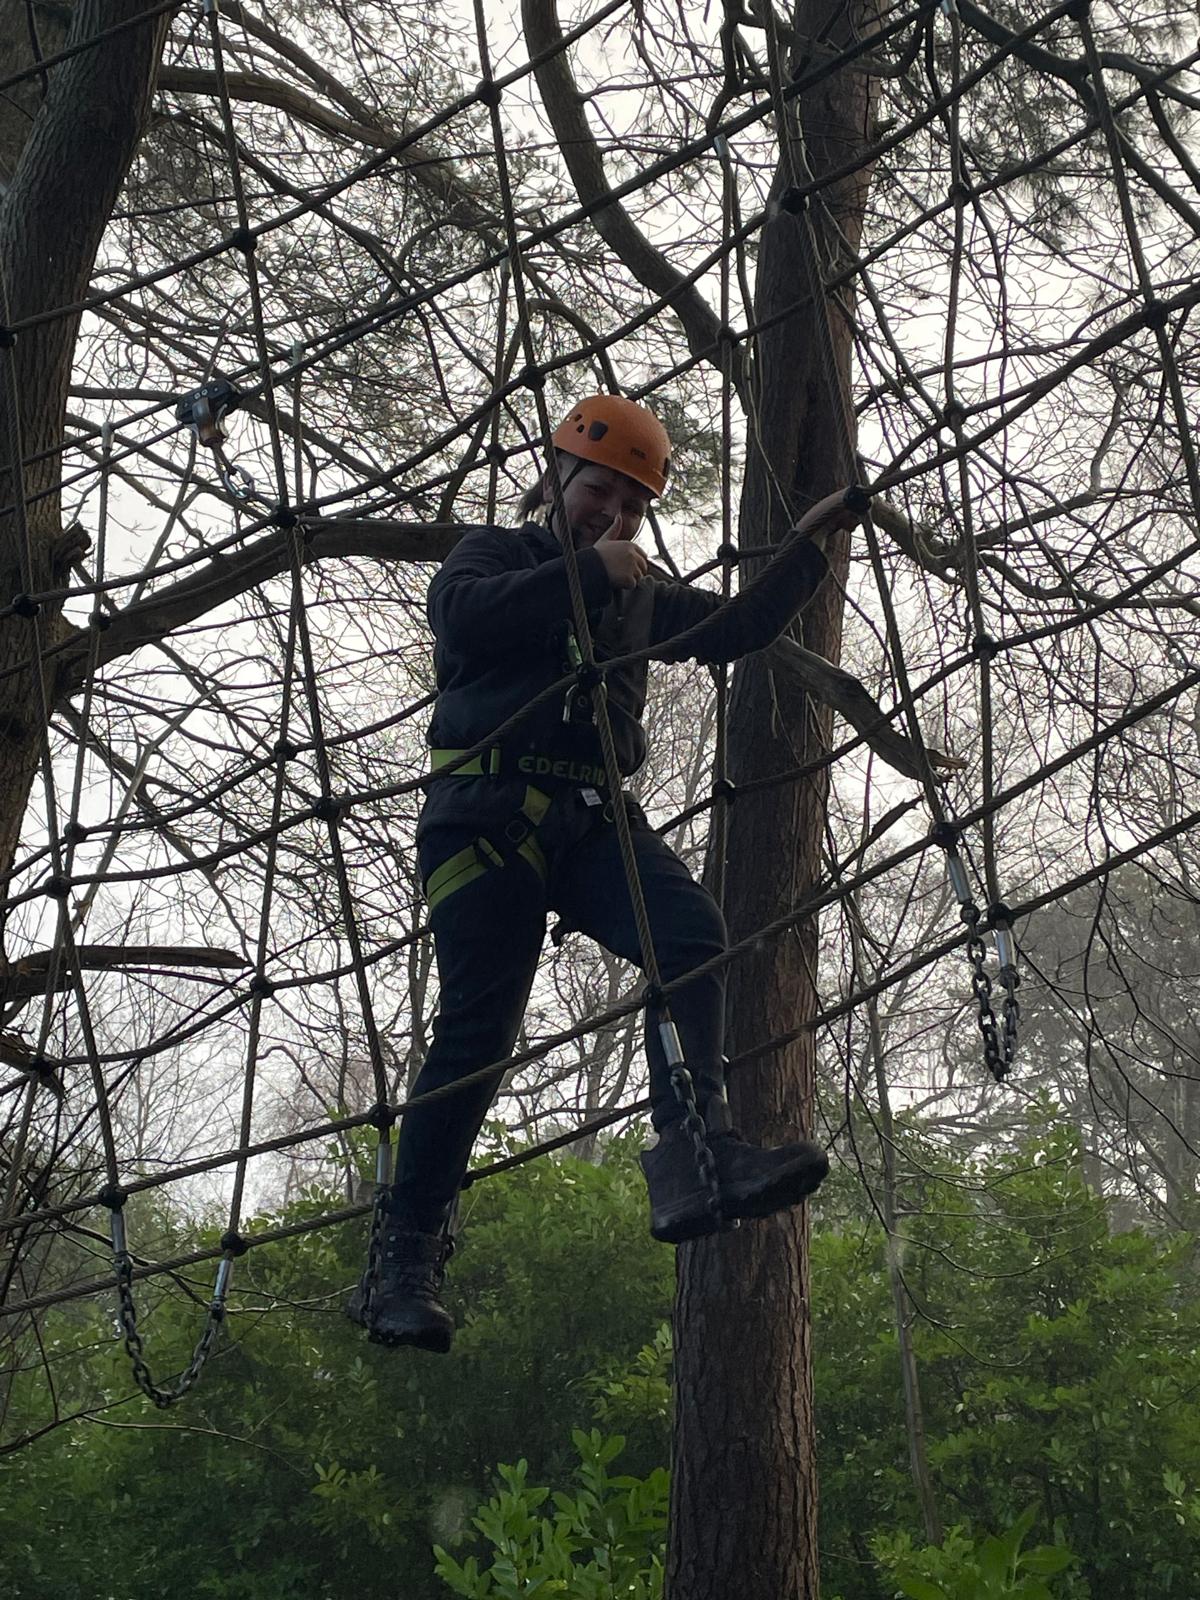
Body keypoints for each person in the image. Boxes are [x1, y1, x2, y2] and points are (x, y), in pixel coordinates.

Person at [349, 393, 861, 1351]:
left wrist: (810, 545)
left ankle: (695, 1153)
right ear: (557, 478)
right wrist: (588, 571)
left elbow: (738, 627)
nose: (613, 517)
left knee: (691, 933)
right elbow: (461, 616)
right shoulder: (494, 555)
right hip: (485, 817)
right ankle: (402, 1263)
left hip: (591, 823)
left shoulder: (639, 598)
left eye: (631, 508)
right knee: (477, 1039)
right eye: (599, 493)